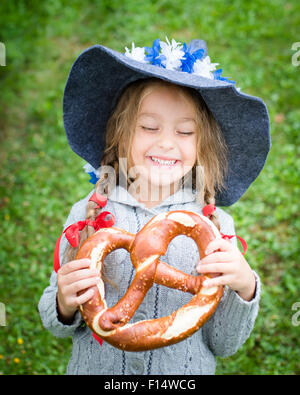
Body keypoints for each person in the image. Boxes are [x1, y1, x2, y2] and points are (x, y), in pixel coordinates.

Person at [38, 37, 271, 375]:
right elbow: (55, 324)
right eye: (149, 127)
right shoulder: (87, 215)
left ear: (202, 145)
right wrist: (63, 302)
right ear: (120, 134)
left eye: (185, 132)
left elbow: (225, 344)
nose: (166, 142)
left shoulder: (216, 227)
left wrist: (244, 286)